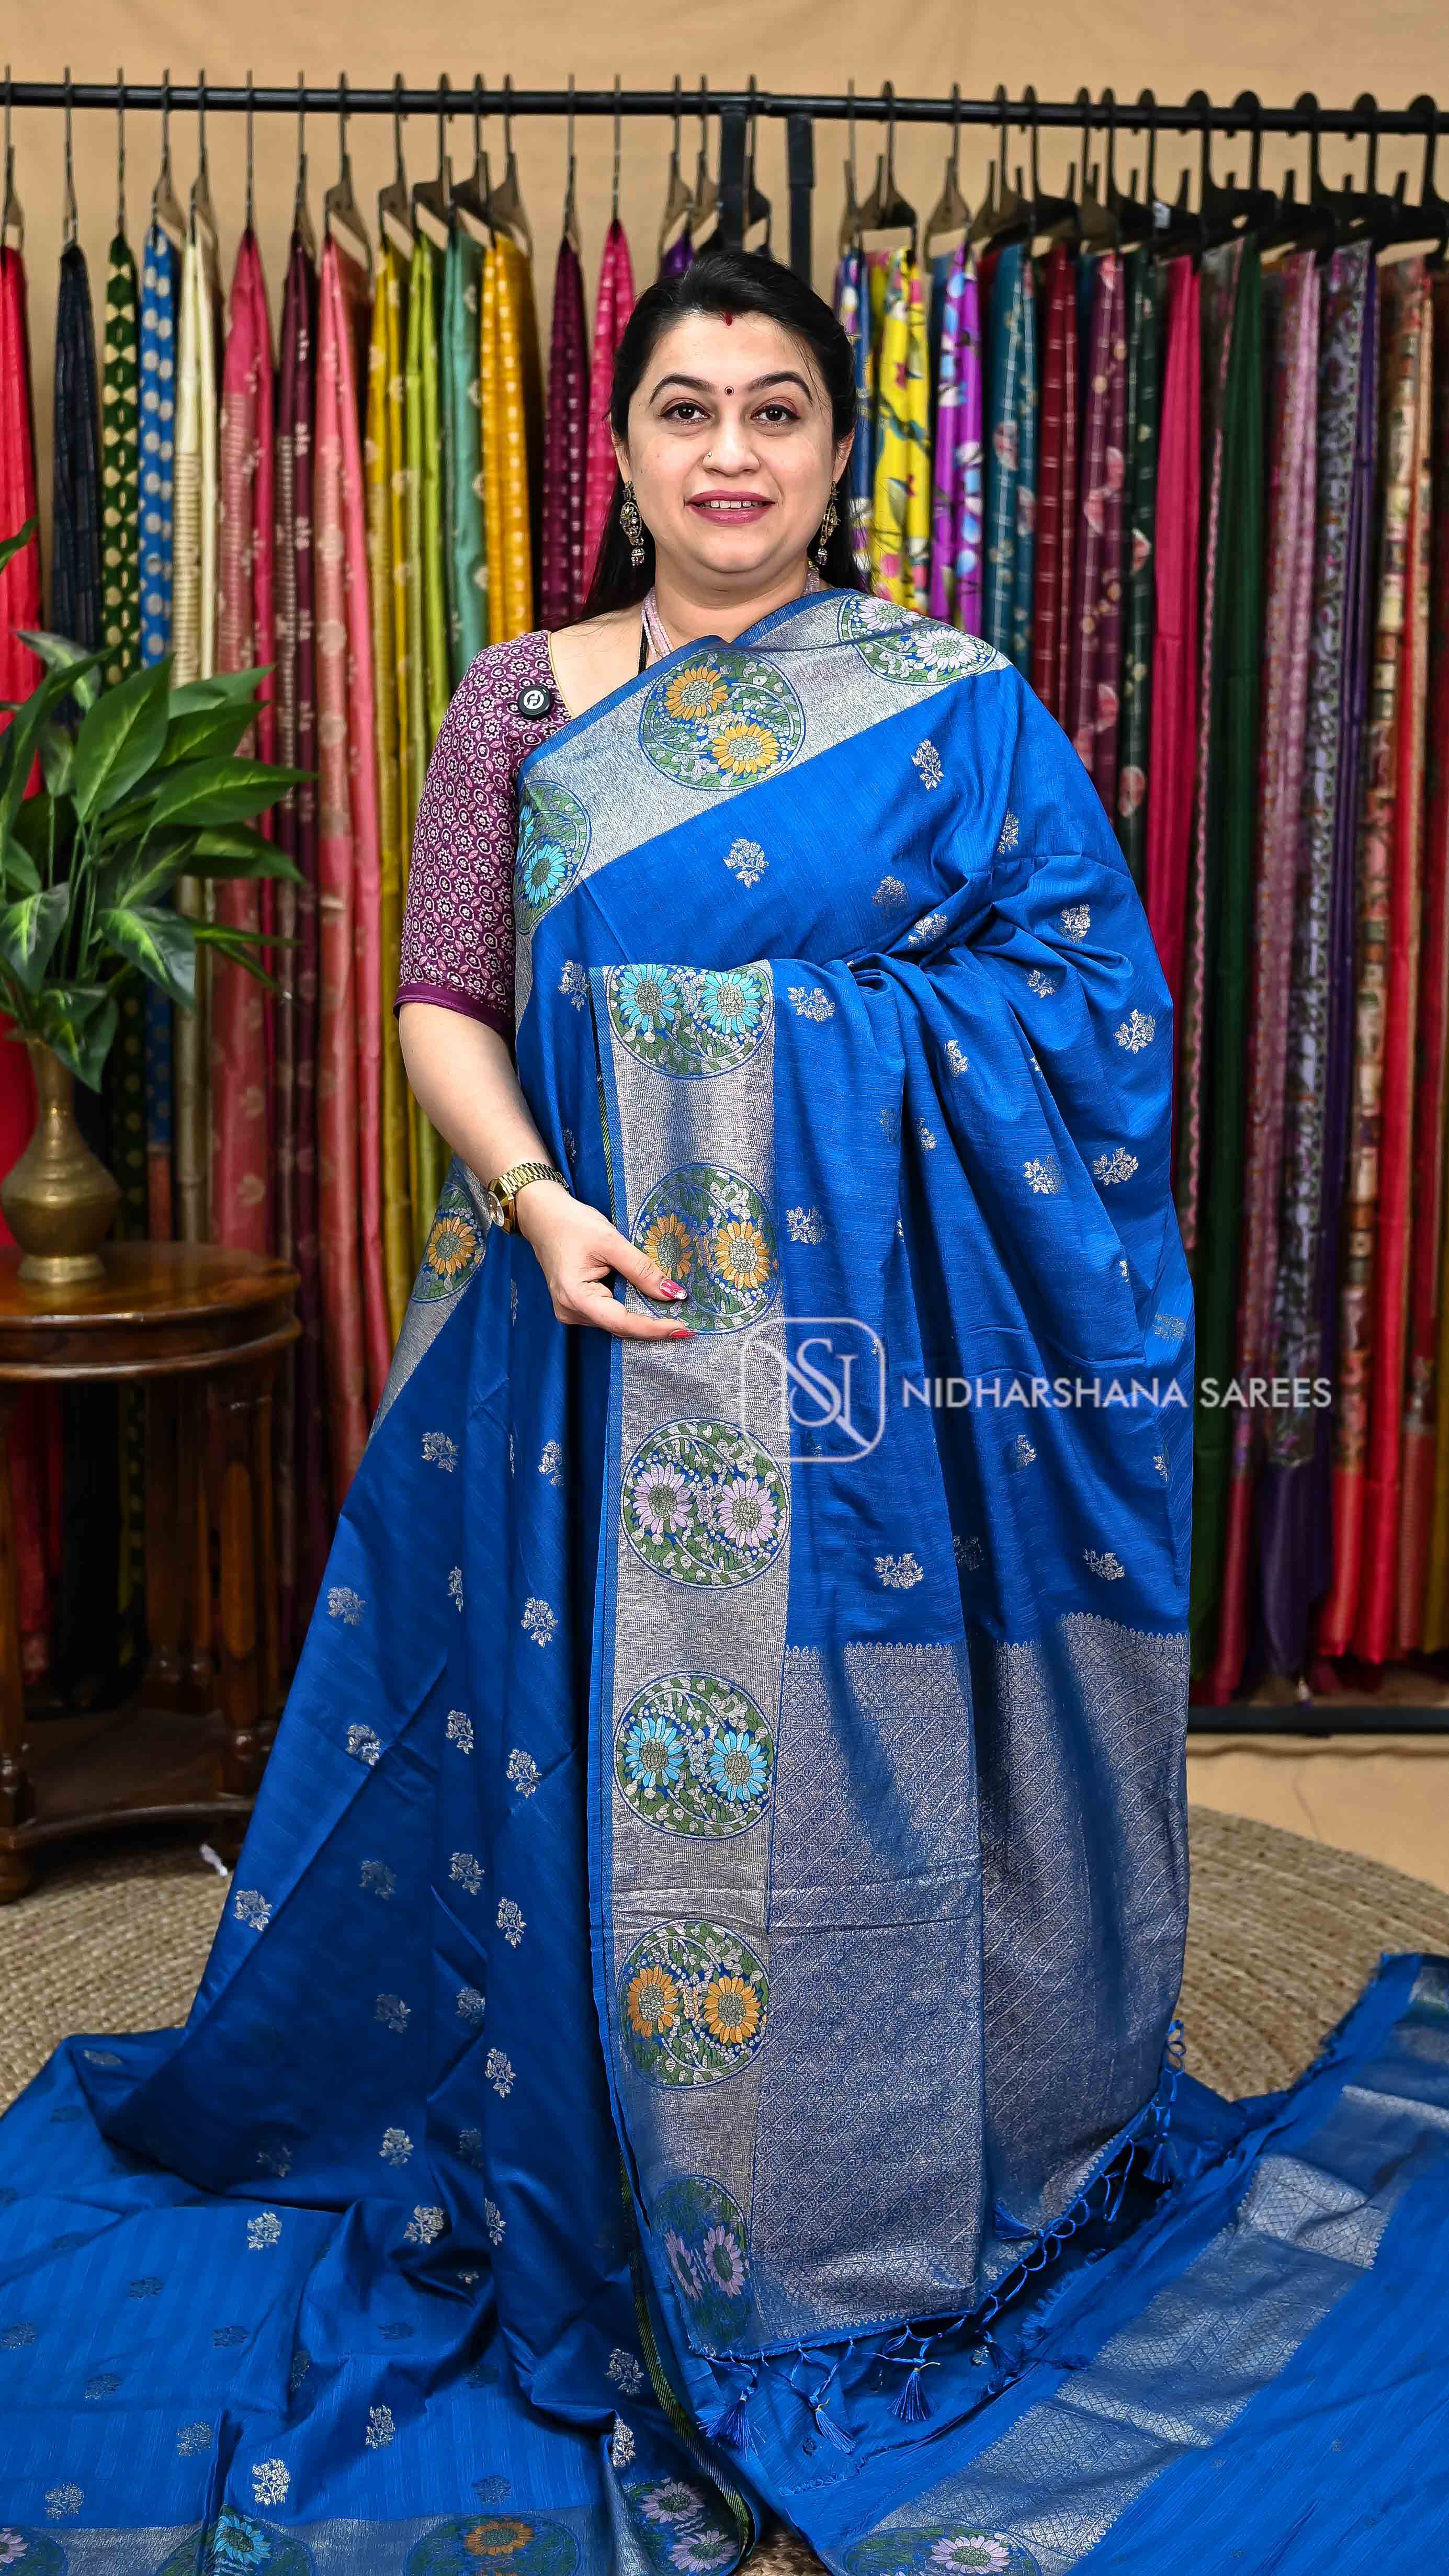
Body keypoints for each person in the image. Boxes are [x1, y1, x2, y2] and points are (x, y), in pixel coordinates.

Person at [2, 246, 1443, 2576]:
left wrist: (756, 1056)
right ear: (625, 447)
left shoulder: (953, 705)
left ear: (842, 451)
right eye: (688, 408)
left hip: (876, 1399)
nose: (733, 452)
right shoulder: (520, 699)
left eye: (779, 409)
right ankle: (610, 2151)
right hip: (595, 1337)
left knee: (853, 1763)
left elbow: (1091, 1020)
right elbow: (443, 999)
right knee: (576, 1768)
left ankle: (867, 2171)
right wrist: (541, 1194)